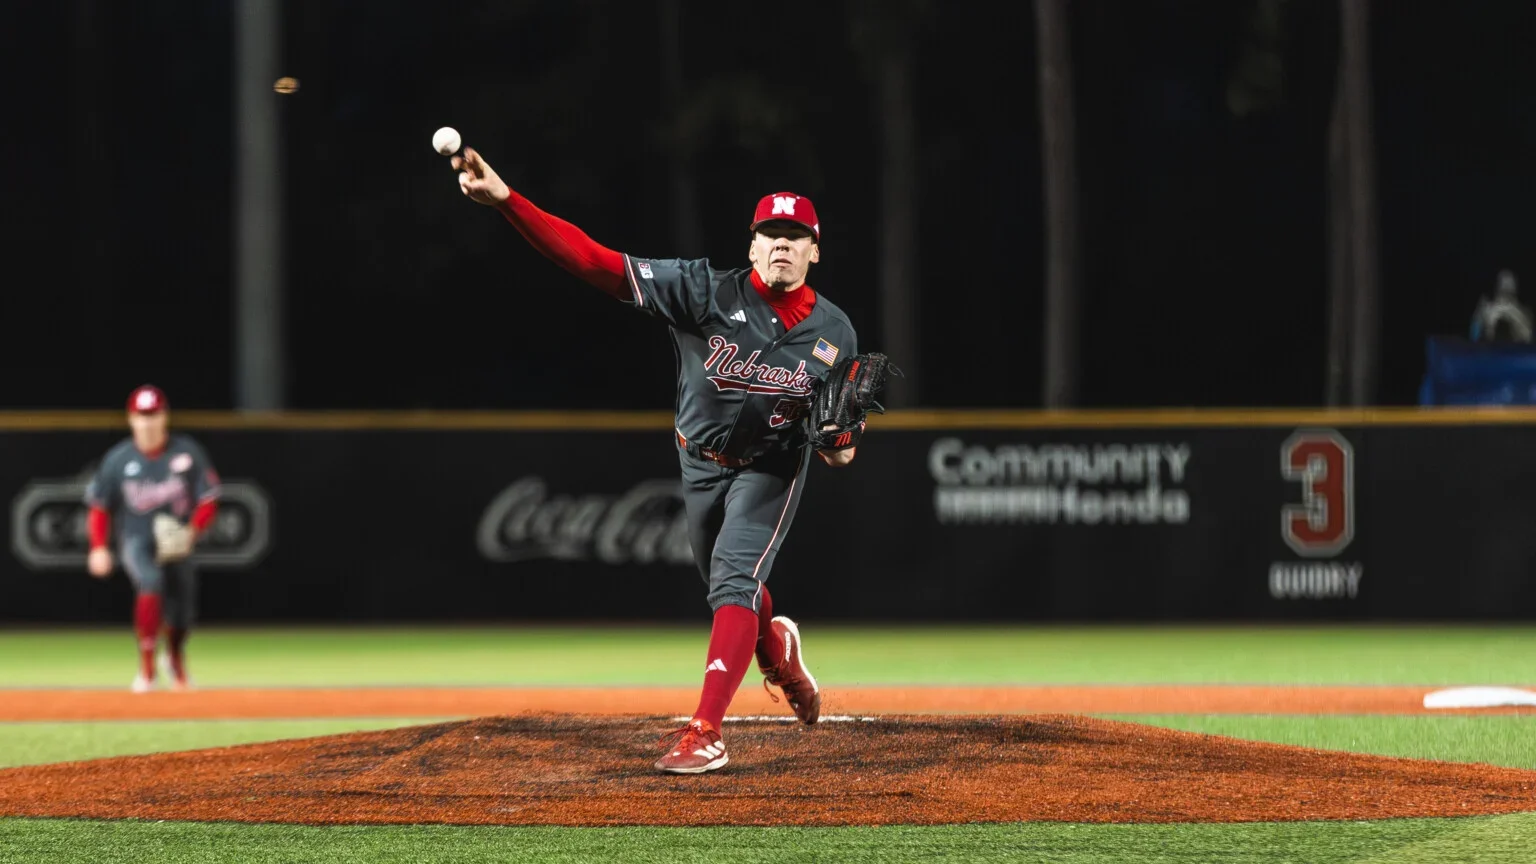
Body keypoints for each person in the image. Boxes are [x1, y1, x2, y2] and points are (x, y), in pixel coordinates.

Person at [453, 146, 864, 774]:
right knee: (729, 586)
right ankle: (777, 651)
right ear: (752, 245)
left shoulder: (837, 334)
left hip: (771, 466)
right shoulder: (703, 291)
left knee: (733, 579)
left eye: (795, 235)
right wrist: (508, 202)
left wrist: (835, 440)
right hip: (698, 463)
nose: (782, 243)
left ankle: (706, 731)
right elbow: (595, 262)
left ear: (815, 250)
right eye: (770, 233)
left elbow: (843, 453)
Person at [85, 385, 222, 693]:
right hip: (138, 538)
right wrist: (98, 547)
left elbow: (209, 499)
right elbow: (99, 506)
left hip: (178, 541)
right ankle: (147, 668)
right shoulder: (118, 459)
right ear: (131, 418)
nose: (147, 423)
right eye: (142, 416)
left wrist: (193, 531)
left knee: (182, 610)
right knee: (150, 582)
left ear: (164, 416)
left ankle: (174, 657)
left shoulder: (186, 452)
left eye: (153, 415)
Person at [1470, 269, 1533, 343]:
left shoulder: (1523, 313)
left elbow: (1528, 337)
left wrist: (1517, 317)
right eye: (1502, 294)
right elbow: (1474, 337)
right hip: (1491, 347)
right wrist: (1482, 318)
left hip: (1516, 346)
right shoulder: (1486, 309)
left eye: (1509, 295)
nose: (1505, 302)